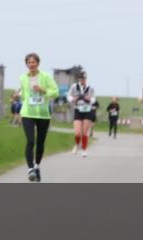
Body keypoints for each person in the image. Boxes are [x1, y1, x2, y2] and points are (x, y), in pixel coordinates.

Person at [17, 53, 60, 181]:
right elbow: (24, 95)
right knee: (30, 141)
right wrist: (18, 95)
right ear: (26, 64)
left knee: (40, 142)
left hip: (43, 114)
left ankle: (37, 166)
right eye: (29, 62)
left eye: (33, 62)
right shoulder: (23, 78)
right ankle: (30, 169)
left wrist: (44, 90)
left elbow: (56, 92)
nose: (31, 64)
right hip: (27, 113)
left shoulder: (46, 76)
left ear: (38, 63)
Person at [67, 72, 95, 157]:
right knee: (77, 133)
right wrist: (73, 99)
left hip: (87, 110)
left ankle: (84, 150)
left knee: (84, 132)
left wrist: (89, 99)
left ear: (86, 79)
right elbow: (68, 96)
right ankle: (77, 144)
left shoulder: (90, 87)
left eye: (84, 78)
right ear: (79, 79)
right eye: (81, 78)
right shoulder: (74, 86)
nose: (82, 80)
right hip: (78, 110)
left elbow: (94, 99)